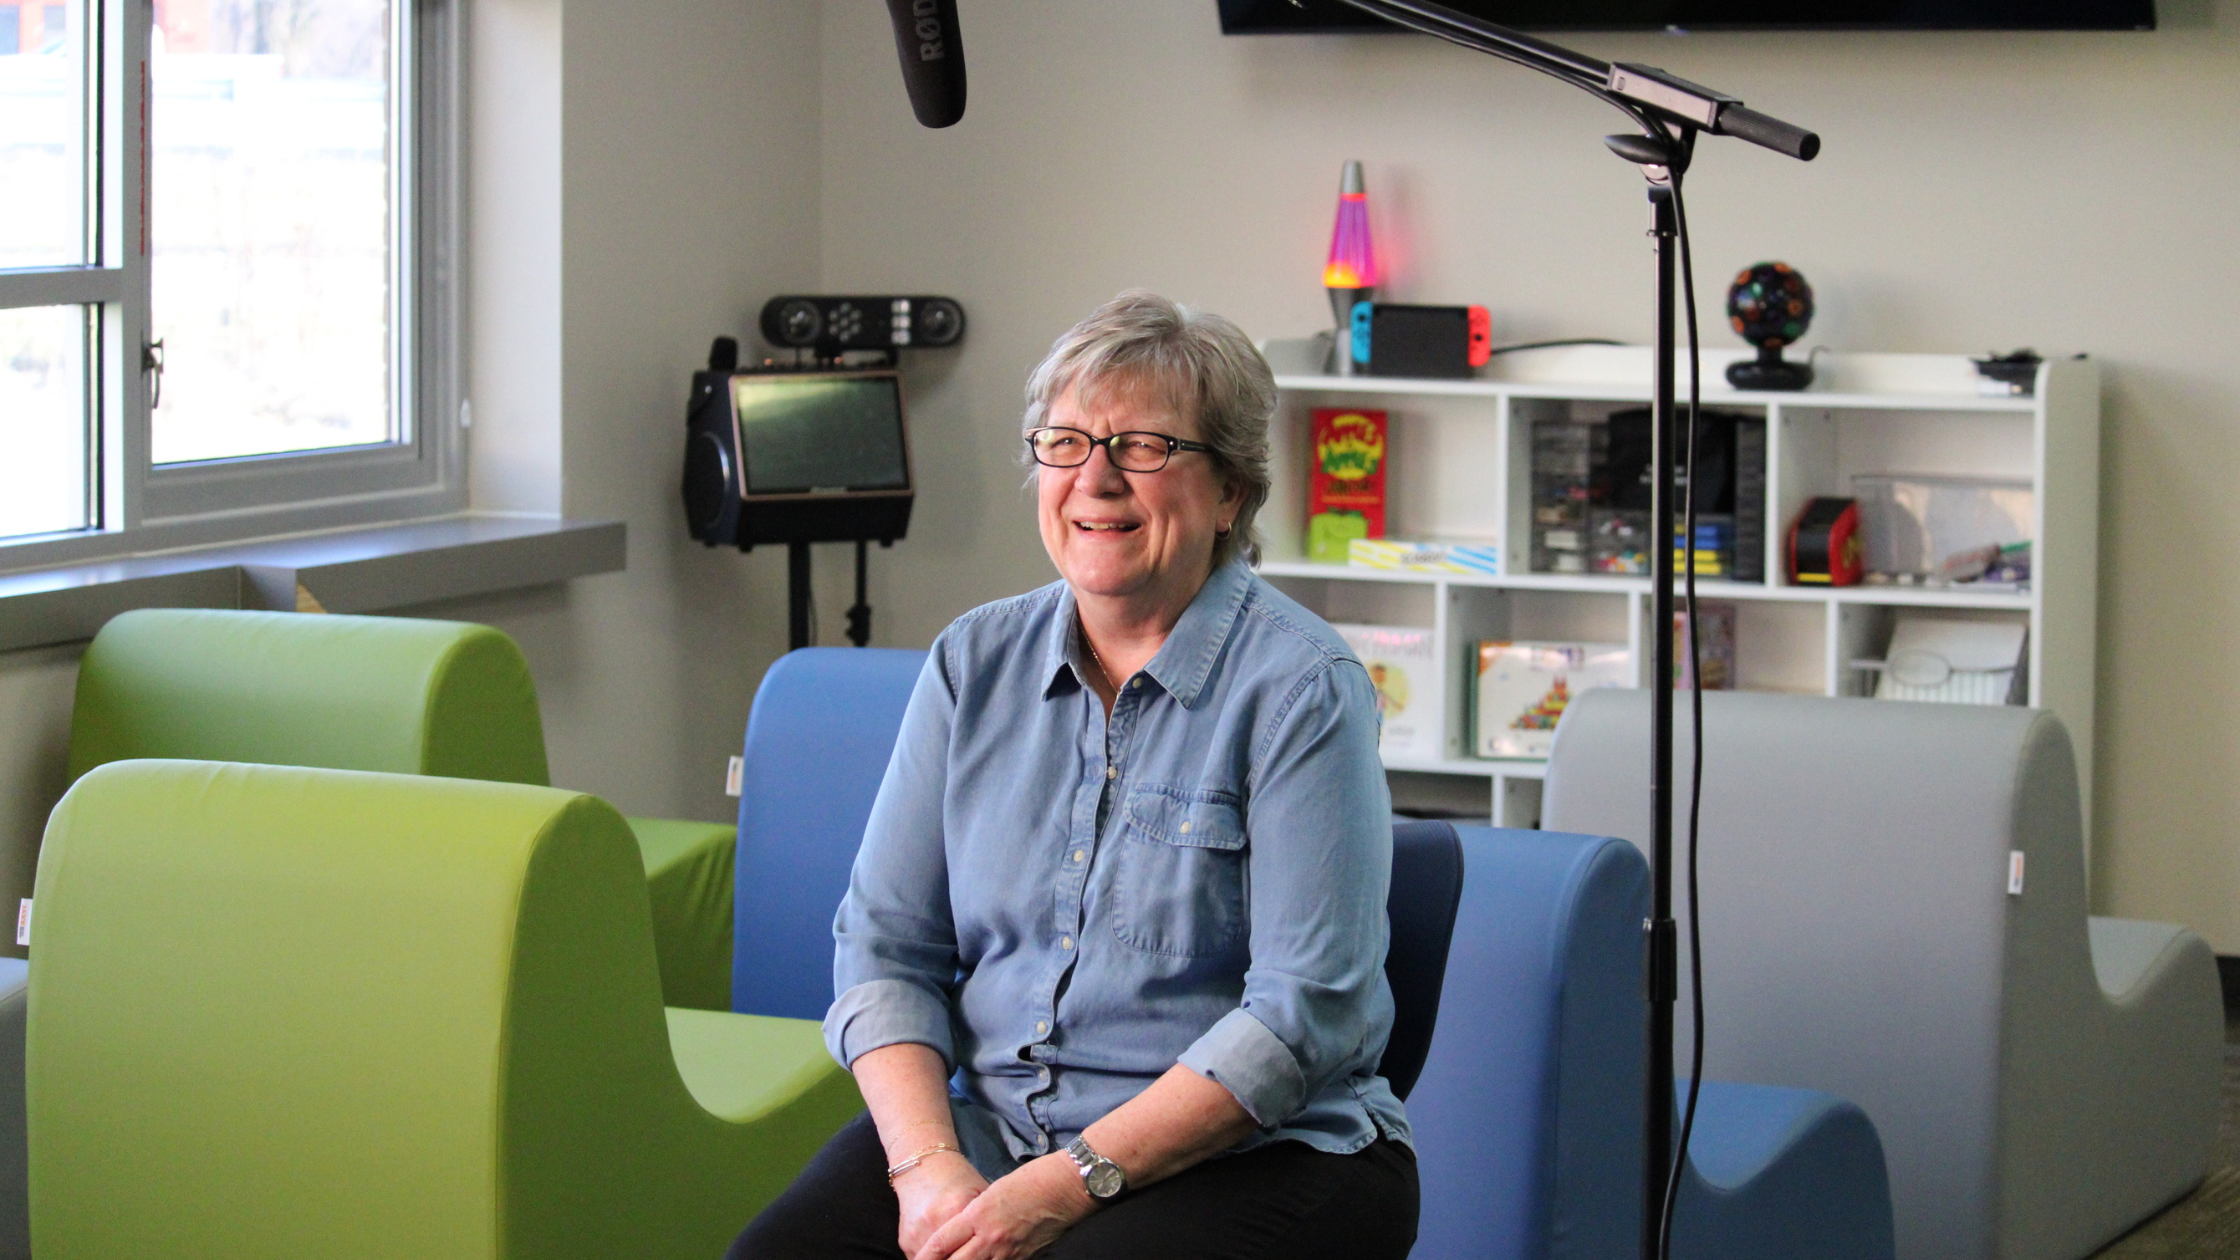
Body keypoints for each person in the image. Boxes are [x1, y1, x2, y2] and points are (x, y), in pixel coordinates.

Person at [730, 291, 1416, 1260]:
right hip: (992, 1131)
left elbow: (1298, 1020)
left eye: (1144, 447)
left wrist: (1062, 1185)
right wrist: (926, 1170)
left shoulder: (1303, 687)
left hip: (1260, 1157)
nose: (1094, 480)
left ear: (1228, 493)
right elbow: (885, 946)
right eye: (1064, 443)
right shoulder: (971, 663)